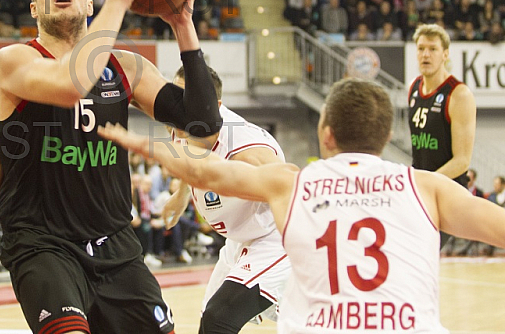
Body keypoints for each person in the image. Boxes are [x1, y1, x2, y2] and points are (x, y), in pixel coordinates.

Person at [99, 78, 505, 334]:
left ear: (325, 134)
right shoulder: (428, 187)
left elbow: (209, 175)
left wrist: (141, 144)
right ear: (386, 136)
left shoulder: (293, 183)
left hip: (305, 303)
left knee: (219, 320)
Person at [0, 0, 222, 334]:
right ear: (34, 10)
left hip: (114, 245)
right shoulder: (13, 59)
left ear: (88, 4)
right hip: (43, 244)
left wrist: (183, 25)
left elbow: (203, 125)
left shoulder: (126, 67)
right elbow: (70, 84)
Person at [162, 67, 291, 333]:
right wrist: (181, 195)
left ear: (215, 107)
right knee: (209, 319)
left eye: (187, 100)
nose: (177, 106)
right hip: (238, 240)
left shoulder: (246, 147)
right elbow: (195, 159)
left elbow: (291, 186)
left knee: (218, 319)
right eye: (176, 95)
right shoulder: (182, 125)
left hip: (273, 237)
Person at [408, 24, 475, 193]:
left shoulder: (459, 94)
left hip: (450, 193)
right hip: (424, 191)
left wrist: (427, 184)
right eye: (421, 48)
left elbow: (462, 161)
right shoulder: (414, 87)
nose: (425, 54)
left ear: (445, 54)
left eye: (433, 49)